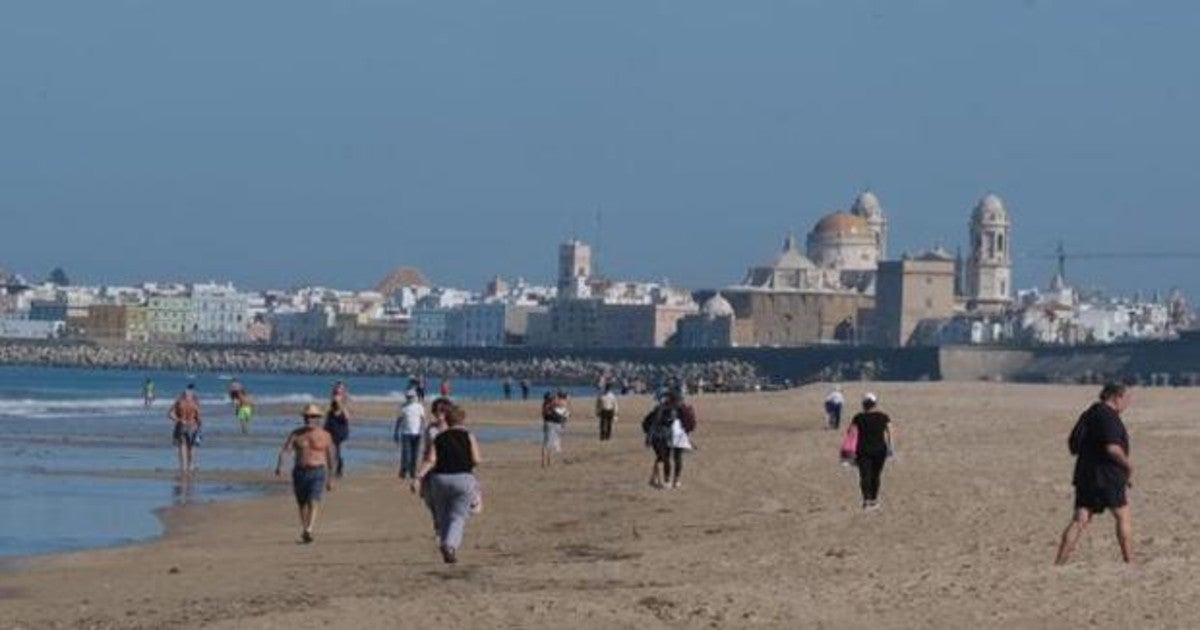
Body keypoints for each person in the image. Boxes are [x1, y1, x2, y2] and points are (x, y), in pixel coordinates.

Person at [1055, 383, 1135, 564]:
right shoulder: (1108, 416)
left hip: (1085, 475)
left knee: (1080, 518)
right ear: (1116, 397)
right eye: (1127, 399)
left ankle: (1059, 563)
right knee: (1123, 516)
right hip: (1107, 476)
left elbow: (1073, 445)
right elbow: (1113, 448)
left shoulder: (1089, 414)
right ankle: (1130, 562)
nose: (1128, 403)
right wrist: (1128, 466)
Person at [412, 404, 482, 564]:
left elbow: (431, 460)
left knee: (443, 517)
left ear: (448, 421)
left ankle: (445, 546)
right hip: (463, 479)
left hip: (440, 479)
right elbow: (477, 459)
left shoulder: (439, 437)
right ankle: (449, 546)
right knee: (458, 516)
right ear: (462, 420)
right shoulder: (468, 436)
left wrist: (418, 477)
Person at [275, 404, 335, 543]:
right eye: (307, 417)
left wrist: (331, 478)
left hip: (318, 470)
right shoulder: (296, 434)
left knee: (313, 500)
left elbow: (331, 457)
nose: (309, 419)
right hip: (300, 471)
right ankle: (305, 528)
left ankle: (309, 529)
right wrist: (280, 465)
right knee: (302, 503)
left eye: (313, 416)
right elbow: (286, 450)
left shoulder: (325, 435)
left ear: (318, 418)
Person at [642, 390, 696, 489]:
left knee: (665, 458)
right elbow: (688, 424)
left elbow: (654, 423)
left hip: (665, 435)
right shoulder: (682, 408)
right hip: (678, 436)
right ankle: (675, 480)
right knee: (676, 458)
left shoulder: (662, 408)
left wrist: (649, 437)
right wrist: (688, 438)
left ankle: (666, 480)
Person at [849, 393, 893, 510]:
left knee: (865, 475)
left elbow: (851, 434)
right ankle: (874, 500)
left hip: (863, 450)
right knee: (875, 475)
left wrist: (849, 452)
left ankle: (866, 500)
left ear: (863, 404)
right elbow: (889, 431)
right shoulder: (883, 417)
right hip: (880, 450)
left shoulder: (858, 417)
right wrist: (890, 447)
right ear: (875, 404)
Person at [168, 389, 202, 475]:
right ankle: (191, 466)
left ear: (183, 395)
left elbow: (169, 414)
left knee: (182, 446)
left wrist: (178, 420)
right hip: (193, 426)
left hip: (182, 425)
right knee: (192, 447)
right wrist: (199, 426)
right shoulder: (195, 403)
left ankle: (183, 467)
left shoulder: (179, 402)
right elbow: (199, 417)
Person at [394, 390, 426, 480]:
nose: (410, 398)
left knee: (415, 455)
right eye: (408, 397)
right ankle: (403, 471)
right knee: (406, 455)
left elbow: (423, 420)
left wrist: (424, 431)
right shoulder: (403, 407)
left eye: (411, 397)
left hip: (417, 434)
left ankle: (412, 472)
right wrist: (396, 432)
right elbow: (399, 420)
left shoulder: (420, 407)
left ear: (415, 397)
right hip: (406, 434)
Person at [540, 391, 570, 468]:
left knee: (548, 444)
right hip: (551, 424)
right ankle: (545, 462)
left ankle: (546, 462)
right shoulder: (549, 405)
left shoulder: (546, 405)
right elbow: (562, 406)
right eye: (551, 397)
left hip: (549, 424)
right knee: (547, 444)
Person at [324, 394, 350, 477]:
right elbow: (326, 423)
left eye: (337, 402)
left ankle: (339, 469)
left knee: (339, 454)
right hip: (331, 435)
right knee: (332, 454)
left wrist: (341, 407)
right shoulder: (330, 412)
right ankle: (332, 469)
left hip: (341, 436)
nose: (335, 404)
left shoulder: (344, 412)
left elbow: (347, 419)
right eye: (334, 402)